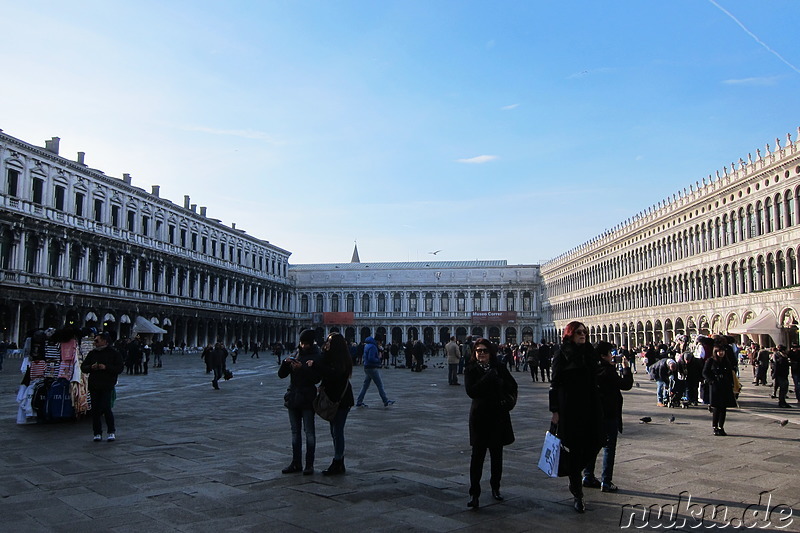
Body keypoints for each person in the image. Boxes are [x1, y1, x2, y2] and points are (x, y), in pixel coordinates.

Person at [549, 321, 604, 513]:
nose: (583, 335)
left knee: (597, 441)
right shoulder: (562, 353)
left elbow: (597, 376)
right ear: (570, 334)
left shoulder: (590, 352)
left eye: (585, 332)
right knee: (574, 448)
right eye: (579, 332)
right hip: (570, 408)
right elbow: (554, 383)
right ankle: (577, 492)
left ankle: (576, 471)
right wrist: (555, 410)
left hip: (591, 406)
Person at [464, 338, 517, 510]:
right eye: (478, 350)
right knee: (477, 458)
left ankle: (496, 487)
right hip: (479, 418)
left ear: (490, 352)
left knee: (496, 456)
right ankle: (474, 493)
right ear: (474, 353)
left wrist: (507, 401)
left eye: (485, 350)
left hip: (497, 416)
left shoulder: (499, 367)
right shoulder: (471, 369)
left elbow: (513, 386)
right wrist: (489, 377)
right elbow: (471, 391)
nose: (482, 353)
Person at [583, 341, 633, 493]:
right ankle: (606, 481)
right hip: (609, 413)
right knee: (609, 447)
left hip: (593, 413)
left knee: (593, 445)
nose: (612, 356)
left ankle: (588, 476)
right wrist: (626, 368)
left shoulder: (590, 369)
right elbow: (626, 384)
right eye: (610, 353)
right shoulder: (608, 371)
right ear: (604, 355)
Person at [278, 329, 321, 475]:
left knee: (309, 432)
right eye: (301, 343)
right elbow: (281, 375)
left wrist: (302, 368)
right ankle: (296, 463)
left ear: (311, 343)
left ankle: (309, 464)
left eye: (306, 343)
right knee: (295, 432)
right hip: (293, 397)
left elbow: (316, 379)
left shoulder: (317, 356)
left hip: (308, 398)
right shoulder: (296, 354)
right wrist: (285, 363)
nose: (303, 346)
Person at [317, 332, 354, 475]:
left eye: (330, 341)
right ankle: (338, 461)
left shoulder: (341, 361)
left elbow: (333, 374)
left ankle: (338, 461)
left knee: (337, 431)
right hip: (335, 399)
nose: (327, 342)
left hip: (341, 400)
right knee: (334, 431)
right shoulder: (334, 358)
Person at [80, 332, 125, 442]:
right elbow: (83, 367)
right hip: (94, 384)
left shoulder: (114, 353)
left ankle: (111, 431)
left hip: (107, 384)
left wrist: (106, 367)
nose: (95, 343)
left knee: (106, 408)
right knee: (95, 410)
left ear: (105, 341)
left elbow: (119, 368)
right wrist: (91, 367)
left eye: (97, 340)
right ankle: (97, 433)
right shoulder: (92, 353)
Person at [703, 341, 737, 436]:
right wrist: (711, 381)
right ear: (716, 352)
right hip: (715, 387)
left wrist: (731, 384)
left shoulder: (726, 361)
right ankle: (715, 427)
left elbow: (730, 374)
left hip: (725, 386)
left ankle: (721, 427)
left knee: (723, 408)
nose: (721, 353)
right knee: (716, 408)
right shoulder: (711, 361)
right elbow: (705, 372)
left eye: (722, 351)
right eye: (719, 351)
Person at [355, 336, 395, 407]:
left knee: (365, 386)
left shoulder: (367, 345)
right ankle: (385, 401)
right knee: (380, 385)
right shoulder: (373, 347)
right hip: (372, 368)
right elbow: (371, 358)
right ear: (378, 341)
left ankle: (359, 401)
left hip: (366, 367)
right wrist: (378, 359)